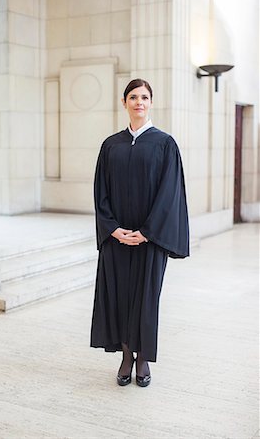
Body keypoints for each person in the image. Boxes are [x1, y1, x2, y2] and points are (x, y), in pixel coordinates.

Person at [90, 78, 189, 387]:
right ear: (124, 103)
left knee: (145, 299)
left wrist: (147, 232)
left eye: (144, 97)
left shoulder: (164, 144)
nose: (138, 102)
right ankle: (125, 355)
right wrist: (112, 229)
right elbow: (100, 192)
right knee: (119, 297)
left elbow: (169, 194)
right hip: (117, 239)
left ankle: (143, 358)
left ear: (150, 102)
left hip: (150, 240)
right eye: (133, 97)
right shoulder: (111, 145)